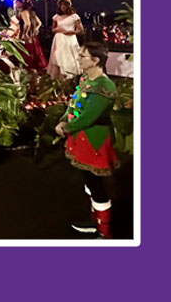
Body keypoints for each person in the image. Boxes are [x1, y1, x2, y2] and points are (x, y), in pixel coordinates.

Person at [55, 42, 119, 238]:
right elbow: (74, 103)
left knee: (96, 185)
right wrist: (64, 118)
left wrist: (66, 127)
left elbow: (88, 117)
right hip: (81, 138)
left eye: (83, 56)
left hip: (94, 141)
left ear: (96, 60)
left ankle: (104, 233)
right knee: (90, 183)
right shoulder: (86, 79)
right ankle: (95, 222)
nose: (78, 58)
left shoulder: (103, 86)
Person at [48, 0, 84, 79]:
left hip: (70, 39)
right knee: (58, 57)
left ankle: (70, 77)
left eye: (65, 4)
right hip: (59, 39)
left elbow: (80, 30)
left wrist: (70, 32)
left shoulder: (74, 16)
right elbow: (53, 29)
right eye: (61, 5)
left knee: (69, 57)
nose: (63, 6)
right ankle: (59, 77)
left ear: (68, 6)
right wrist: (58, 30)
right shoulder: (56, 17)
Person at [11, 0, 48, 72]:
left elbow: (27, 24)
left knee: (26, 58)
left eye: (18, 1)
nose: (16, 3)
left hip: (26, 39)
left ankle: (28, 76)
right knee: (34, 57)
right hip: (33, 38)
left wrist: (25, 34)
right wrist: (35, 30)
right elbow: (39, 23)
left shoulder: (24, 12)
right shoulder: (31, 12)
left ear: (22, 3)